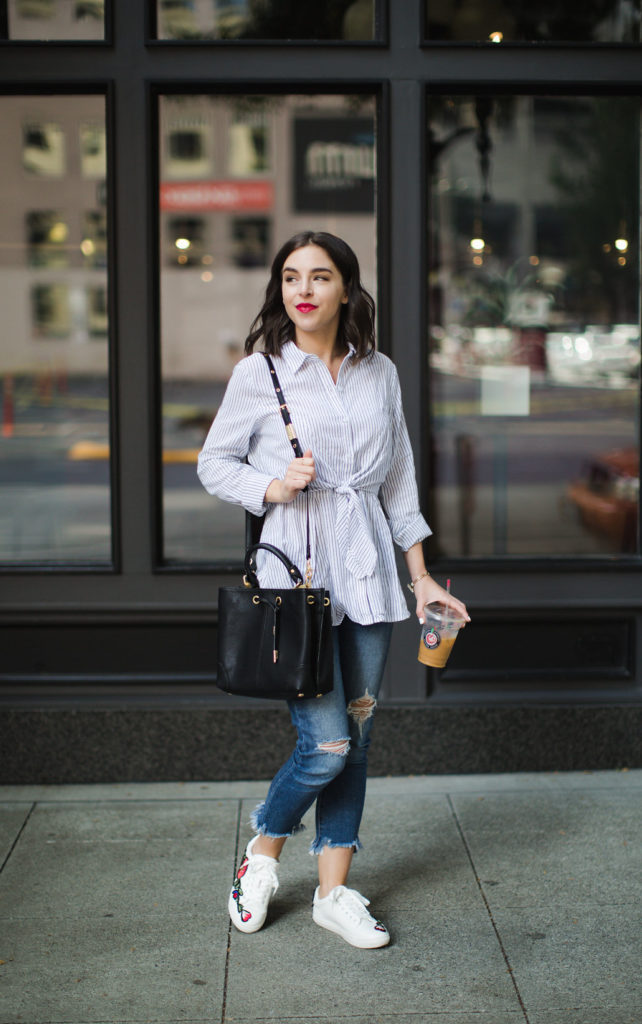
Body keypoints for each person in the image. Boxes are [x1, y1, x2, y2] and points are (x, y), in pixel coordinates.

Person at [198, 230, 469, 949]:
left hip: (371, 578)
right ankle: (261, 856)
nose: (304, 290)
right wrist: (271, 485)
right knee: (327, 746)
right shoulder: (260, 372)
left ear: (346, 288)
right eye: (291, 278)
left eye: (320, 277)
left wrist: (420, 581)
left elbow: (399, 483)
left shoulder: (380, 373)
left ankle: (334, 892)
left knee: (360, 735)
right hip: (298, 588)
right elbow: (212, 463)